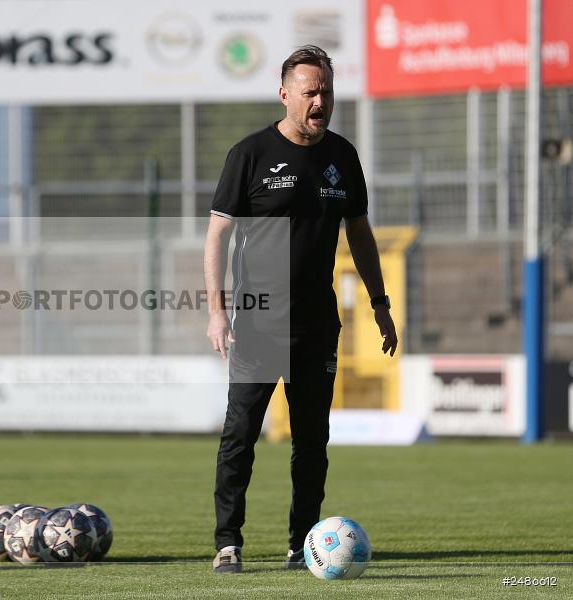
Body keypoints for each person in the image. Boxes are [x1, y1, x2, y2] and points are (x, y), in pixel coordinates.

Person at [204, 45, 398, 574]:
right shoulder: (249, 154)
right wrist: (217, 311)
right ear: (284, 93)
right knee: (240, 434)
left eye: (327, 91)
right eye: (310, 91)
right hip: (257, 322)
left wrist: (380, 304)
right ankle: (228, 542)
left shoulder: (342, 156)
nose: (320, 101)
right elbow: (217, 234)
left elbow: (359, 232)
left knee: (312, 441)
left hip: (317, 323)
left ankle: (304, 544)